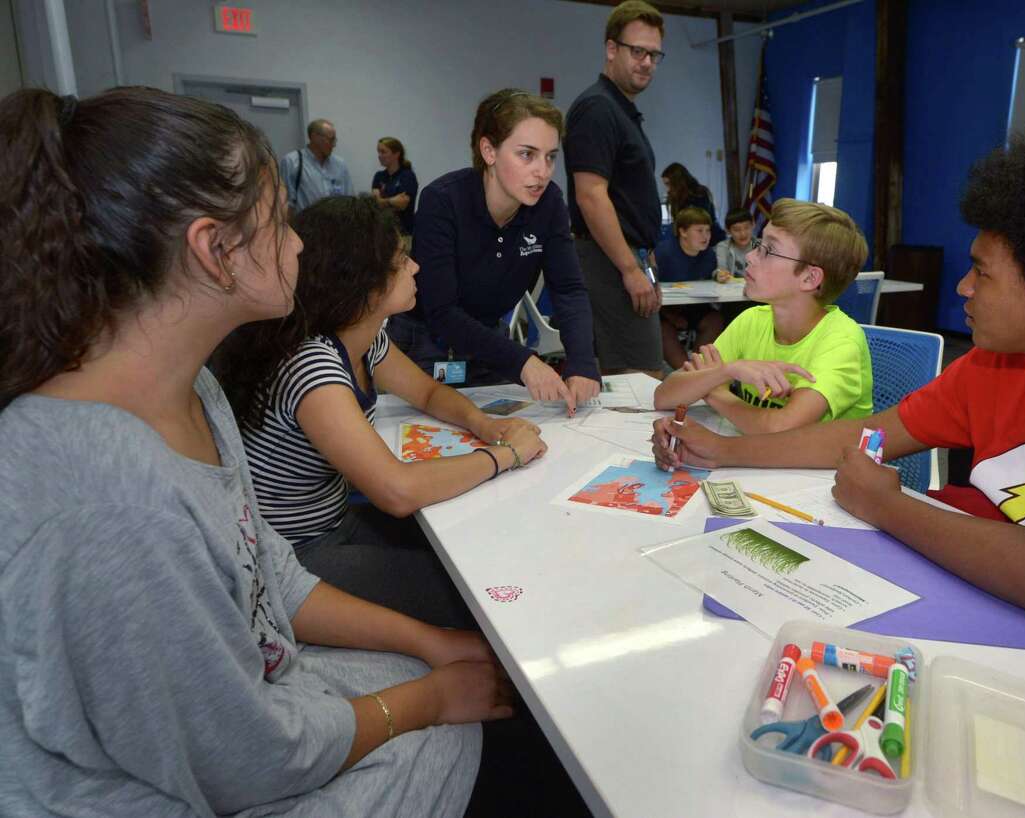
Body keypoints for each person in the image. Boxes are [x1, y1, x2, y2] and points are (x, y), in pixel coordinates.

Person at [0, 87, 511, 817]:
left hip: (256, 713)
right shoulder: (105, 501)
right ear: (213, 250)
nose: (299, 243)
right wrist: (426, 700)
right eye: (278, 221)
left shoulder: (196, 390)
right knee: (456, 737)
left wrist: (428, 645)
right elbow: (247, 759)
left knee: (452, 679)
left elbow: (266, 574)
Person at [653, 122, 1025, 615]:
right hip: (1003, 598)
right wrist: (720, 449)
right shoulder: (997, 366)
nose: (961, 288)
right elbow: (861, 436)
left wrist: (885, 504)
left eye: (980, 274)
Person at [213, 195, 546, 626]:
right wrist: (507, 455)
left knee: (479, 542)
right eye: (400, 260)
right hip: (299, 555)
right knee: (479, 595)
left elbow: (426, 392)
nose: (414, 268)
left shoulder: (361, 338)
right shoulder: (313, 364)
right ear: (364, 284)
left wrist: (483, 423)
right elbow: (396, 491)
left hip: (336, 524)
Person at [391, 89, 601, 411]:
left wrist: (583, 362)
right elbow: (442, 312)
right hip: (424, 346)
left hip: (489, 346)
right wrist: (524, 363)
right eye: (527, 154)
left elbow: (569, 289)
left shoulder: (549, 204)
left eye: (550, 156)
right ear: (489, 151)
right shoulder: (443, 200)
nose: (542, 171)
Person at [654, 199, 872, 434]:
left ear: (810, 278)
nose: (750, 257)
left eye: (769, 250)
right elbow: (664, 396)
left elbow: (780, 430)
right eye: (759, 244)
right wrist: (726, 371)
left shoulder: (840, 343)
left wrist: (714, 391)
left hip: (823, 469)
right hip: (762, 463)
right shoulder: (753, 320)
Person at [566, 0, 666, 377]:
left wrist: (646, 260)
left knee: (638, 377)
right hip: (605, 260)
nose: (647, 63)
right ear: (612, 49)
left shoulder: (621, 110)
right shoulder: (597, 109)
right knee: (639, 381)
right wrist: (629, 268)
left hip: (628, 255)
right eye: (638, 51)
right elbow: (591, 195)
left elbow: (628, 199)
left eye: (655, 55)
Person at [651, 206, 725, 370]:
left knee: (715, 320)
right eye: (699, 231)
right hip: (664, 311)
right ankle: (684, 370)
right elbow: (651, 289)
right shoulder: (662, 254)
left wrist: (716, 275)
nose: (705, 236)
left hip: (693, 309)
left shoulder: (709, 255)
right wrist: (670, 316)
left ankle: (698, 367)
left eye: (708, 230)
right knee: (661, 328)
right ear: (683, 232)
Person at [280, 117, 354, 217]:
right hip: (305, 228)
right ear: (314, 137)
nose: (334, 145)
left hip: (336, 227)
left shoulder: (340, 165)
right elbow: (286, 204)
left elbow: (350, 201)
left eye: (334, 140)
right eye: (331, 140)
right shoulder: (292, 162)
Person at [661, 160, 726, 244]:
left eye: (669, 184)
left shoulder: (699, 194)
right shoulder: (676, 197)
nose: (668, 189)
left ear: (678, 182)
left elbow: (699, 223)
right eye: (666, 184)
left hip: (710, 239)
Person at [373, 136, 418, 234]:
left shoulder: (407, 176)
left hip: (403, 233)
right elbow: (375, 204)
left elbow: (402, 204)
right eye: (378, 152)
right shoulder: (379, 176)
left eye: (383, 152)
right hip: (383, 233)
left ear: (396, 154)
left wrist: (383, 202)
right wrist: (392, 201)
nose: (379, 155)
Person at [714, 207, 754, 281]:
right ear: (728, 231)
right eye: (736, 230)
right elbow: (721, 269)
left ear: (753, 225)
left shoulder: (762, 246)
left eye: (746, 227)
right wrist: (720, 275)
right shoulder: (723, 247)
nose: (743, 234)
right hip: (732, 289)